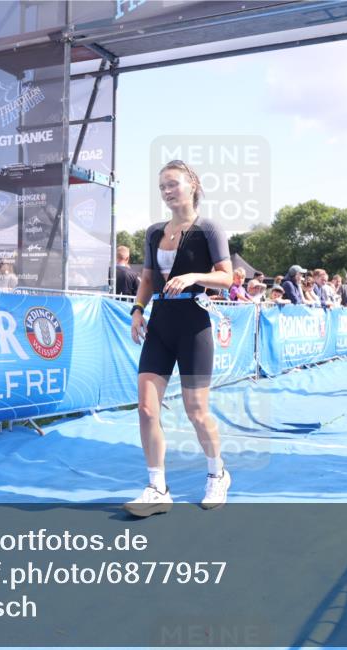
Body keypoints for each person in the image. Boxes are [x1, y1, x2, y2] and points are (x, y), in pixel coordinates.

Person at [124, 160, 233, 517]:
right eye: (162, 187)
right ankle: (157, 488)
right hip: (159, 326)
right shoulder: (154, 232)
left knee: (197, 411)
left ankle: (218, 474)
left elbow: (228, 278)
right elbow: (146, 278)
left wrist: (193, 277)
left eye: (173, 184)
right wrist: (137, 311)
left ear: (192, 185)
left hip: (194, 326)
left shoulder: (209, 229)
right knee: (146, 409)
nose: (167, 191)